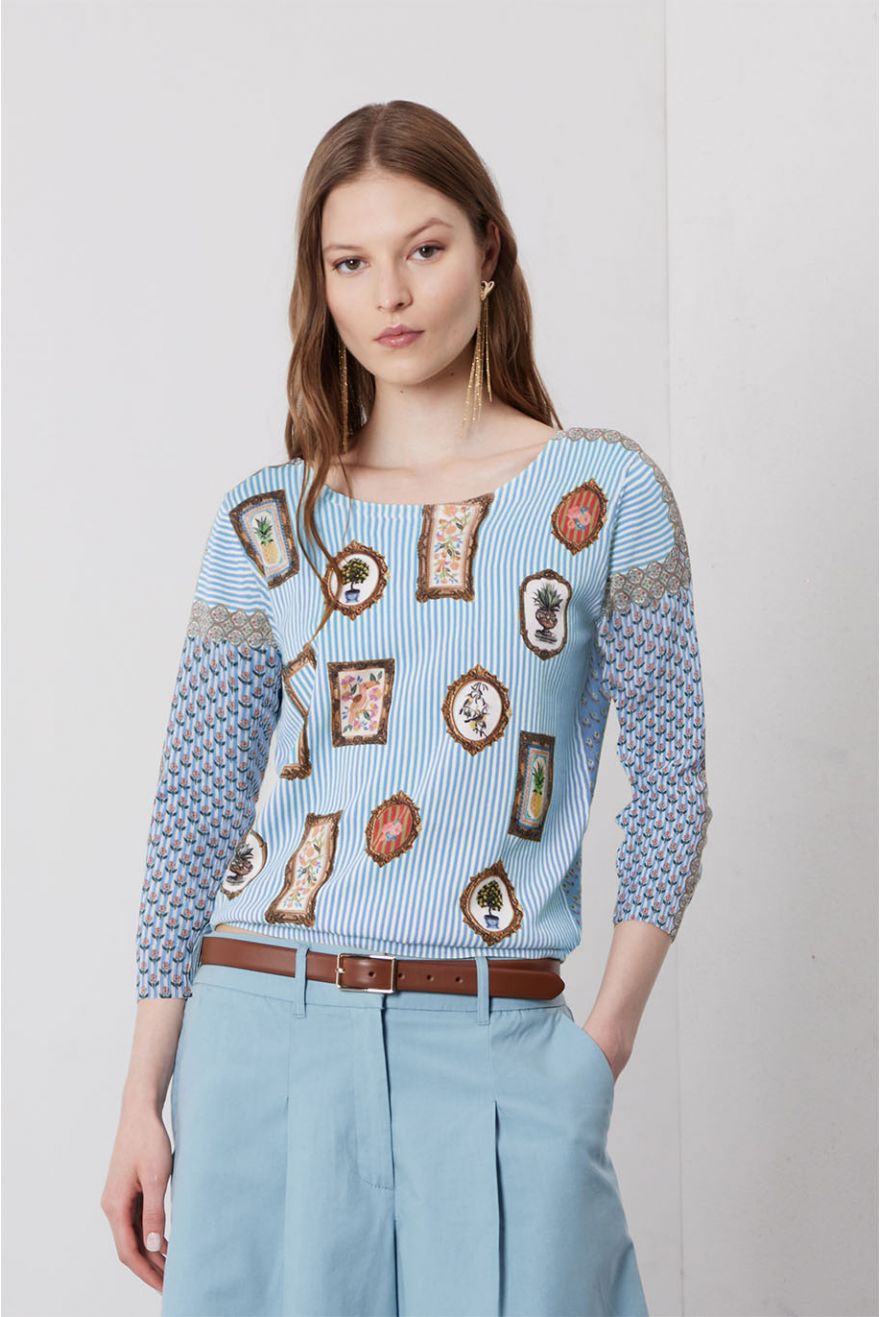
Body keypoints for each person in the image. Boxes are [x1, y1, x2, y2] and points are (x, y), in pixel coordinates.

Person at [100, 99, 712, 1317]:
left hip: (497, 1044)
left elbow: (674, 785)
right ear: (319, 284)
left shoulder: (600, 495)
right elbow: (196, 811)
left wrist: (601, 1046)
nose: (390, 292)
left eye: (423, 248)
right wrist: (140, 1097)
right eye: (351, 261)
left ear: (488, 250)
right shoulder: (268, 521)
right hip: (264, 1038)